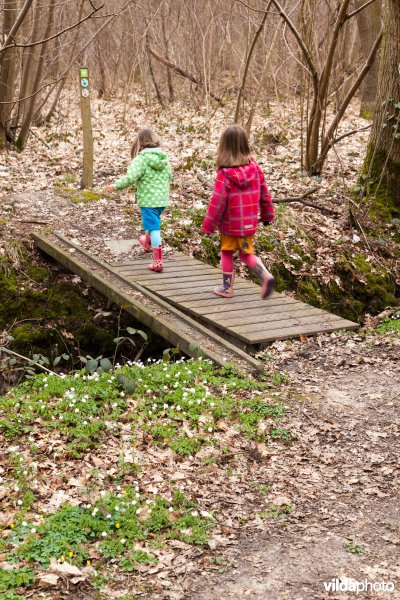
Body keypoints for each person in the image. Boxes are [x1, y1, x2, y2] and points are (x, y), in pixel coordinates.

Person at [201, 124, 275, 299]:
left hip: (230, 225)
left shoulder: (225, 174)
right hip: (248, 223)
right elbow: (265, 193)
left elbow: (217, 202)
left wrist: (208, 226)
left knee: (226, 253)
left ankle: (227, 288)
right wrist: (267, 215)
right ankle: (265, 276)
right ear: (245, 144)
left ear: (223, 147)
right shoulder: (255, 168)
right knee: (245, 253)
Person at [105, 128, 172, 272]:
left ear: (139, 143)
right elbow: (170, 176)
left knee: (155, 229)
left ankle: (157, 261)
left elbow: (130, 178)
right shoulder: (163, 158)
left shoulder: (141, 159)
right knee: (152, 222)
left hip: (148, 200)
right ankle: (147, 243)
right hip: (162, 200)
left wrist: (115, 186)